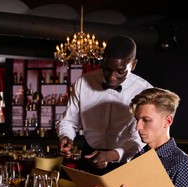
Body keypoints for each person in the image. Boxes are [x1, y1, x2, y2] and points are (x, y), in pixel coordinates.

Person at [77, 87, 188, 187]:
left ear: (167, 121)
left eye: (146, 120)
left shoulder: (183, 165)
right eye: (137, 119)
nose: (137, 127)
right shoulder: (139, 156)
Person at [57, 35, 153, 175]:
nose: (112, 77)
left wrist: (111, 155)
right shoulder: (83, 82)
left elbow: (140, 138)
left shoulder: (144, 90)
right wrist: (66, 136)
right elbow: (69, 120)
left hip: (126, 159)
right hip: (90, 154)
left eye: (120, 71)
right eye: (107, 69)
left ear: (133, 65)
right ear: (102, 61)